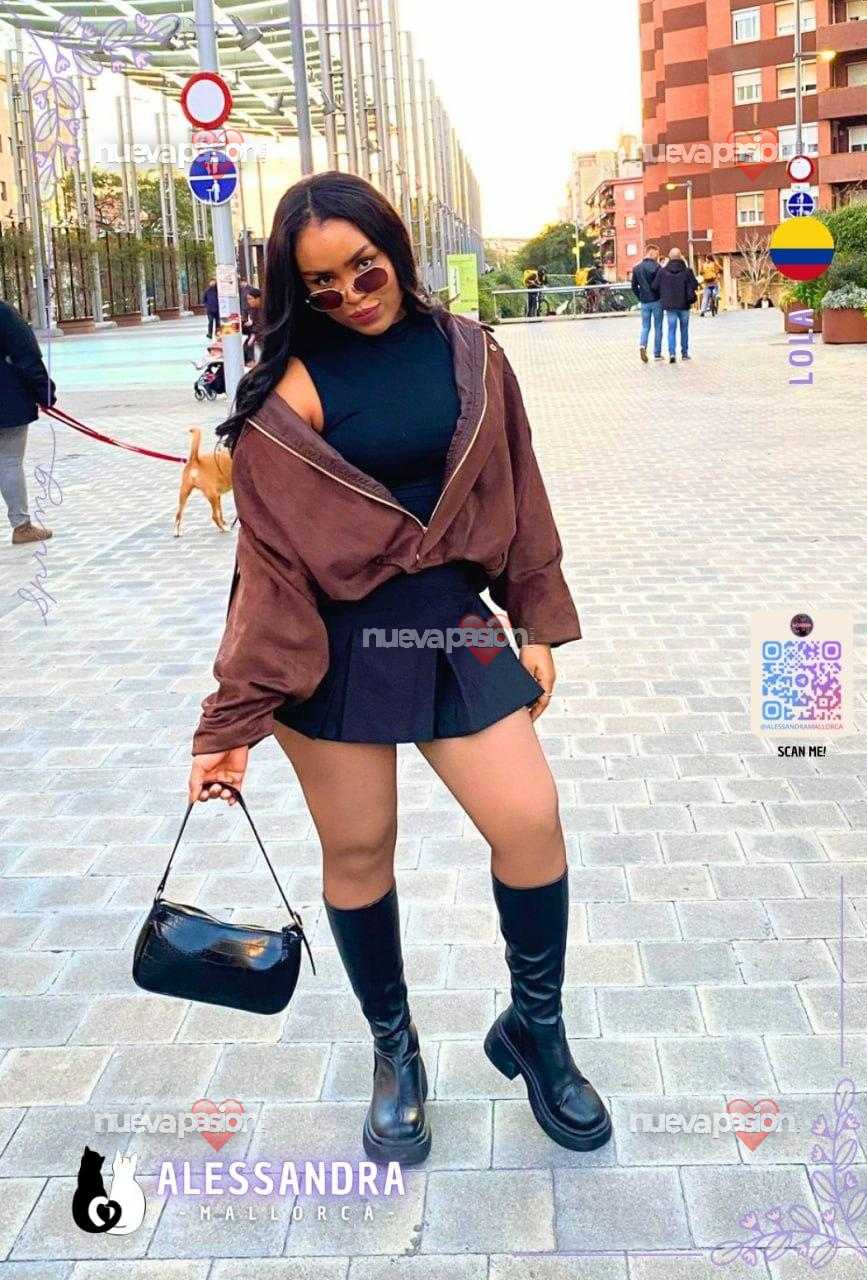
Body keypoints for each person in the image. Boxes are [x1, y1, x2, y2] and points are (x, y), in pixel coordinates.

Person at [188, 170, 612, 1167]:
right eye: (321, 284)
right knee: (360, 850)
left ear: (396, 248)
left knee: (529, 820)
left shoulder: (471, 352)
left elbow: (519, 484)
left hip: (452, 622)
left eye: (364, 268)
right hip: (329, 642)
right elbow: (268, 574)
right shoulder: (286, 393)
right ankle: (396, 1053)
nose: (349, 294)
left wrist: (533, 617)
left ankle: (536, 1029)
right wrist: (229, 724)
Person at [0, 298, 57, 546]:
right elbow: (27, 356)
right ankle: (21, 526)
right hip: (6, 403)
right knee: (9, 461)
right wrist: (45, 393)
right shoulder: (4, 314)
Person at [654, 247, 698, 363]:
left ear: (669, 257)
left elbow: (655, 286)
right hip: (684, 305)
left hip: (670, 306)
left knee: (671, 329)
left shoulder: (662, 271)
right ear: (680, 256)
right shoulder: (687, 271)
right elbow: (695, 285)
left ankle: (672, 353)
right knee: (684, 329)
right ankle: (684, 353)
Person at [630, 245, 663, 362]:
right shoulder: (657, 267)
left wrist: (640, 297)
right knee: (658, 326)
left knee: (645, 326)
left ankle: (642, 345)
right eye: (657, 254)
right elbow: (660, 285)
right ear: (652, 252)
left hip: (644, 301)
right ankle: (657, 353)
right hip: (657, 300)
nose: (658, 256)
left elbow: (633, 286)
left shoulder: (637, 268)